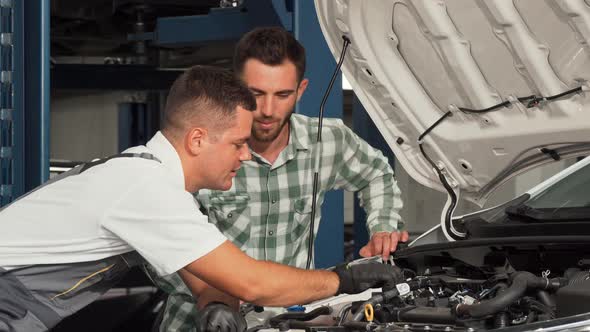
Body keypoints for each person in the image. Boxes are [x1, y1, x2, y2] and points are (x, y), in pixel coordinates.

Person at [0, 65, 403, 332]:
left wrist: (217, 305)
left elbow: (211, 277)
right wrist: (345, 279)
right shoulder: (145, 190)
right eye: (238, 144)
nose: (246, 156)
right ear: (197, 140)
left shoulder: (150, 179)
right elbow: (252, 281)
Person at [157, 27, 409, 331]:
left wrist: (382, 227)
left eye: (283, 95)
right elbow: (160, 247)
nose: (267, 111)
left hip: (289, 321)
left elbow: (376, 173)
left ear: (301, 91)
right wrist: (213, 298)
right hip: (203, 321)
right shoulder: (202, 152)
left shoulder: (328, 141)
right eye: (256, 94)